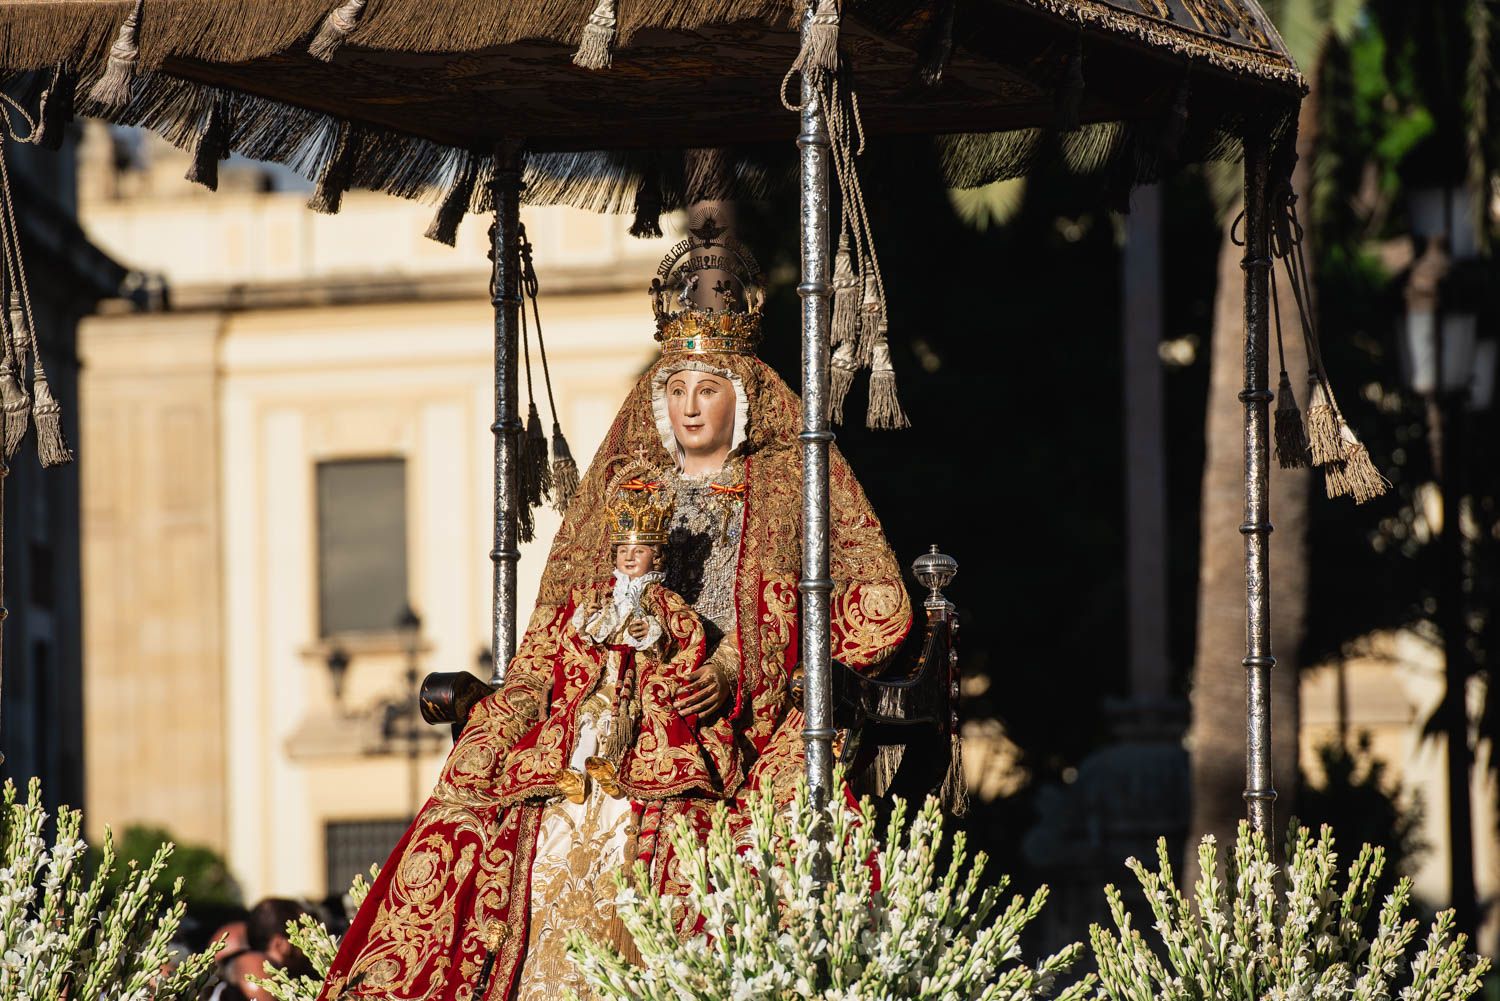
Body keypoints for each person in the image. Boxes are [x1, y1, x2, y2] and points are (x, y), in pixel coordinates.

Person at [317, 225, 910, 1001]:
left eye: (708, 389)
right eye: (675, 390)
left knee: (761, 810)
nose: (690, 407)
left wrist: (738, 666)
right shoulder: (627, 489)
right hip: (616, 705)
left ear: (744, 395)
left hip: (740, 714)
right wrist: (586, 671)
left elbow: (873, 601)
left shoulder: (786, 486)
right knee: (516, 797)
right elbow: (570, 612)